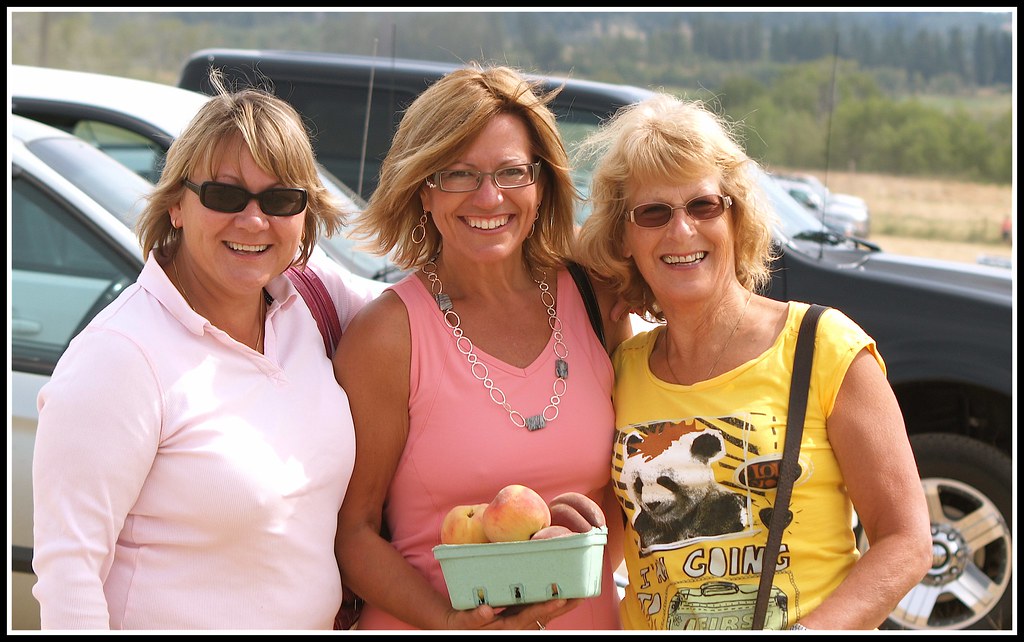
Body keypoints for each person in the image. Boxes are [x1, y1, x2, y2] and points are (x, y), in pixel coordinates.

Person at [31, 71, 382, 630]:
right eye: (224, 194)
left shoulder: (314, 300)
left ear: (304, 214)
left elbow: (435, 315)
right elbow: (69, 576)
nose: (253, 219)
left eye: (281, 199)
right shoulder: (120, 356)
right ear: (176, 204)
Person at [573, 93, 933, 631]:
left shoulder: (822, 347)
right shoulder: (620, 369)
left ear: (736, 215)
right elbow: (608, 540)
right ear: (624, 238)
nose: (681, 231)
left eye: (703, 205)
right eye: (653, 213)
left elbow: (906, 541)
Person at [332, 64, 632, 630]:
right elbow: (354, 532)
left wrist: (557, 594)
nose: (489, 196)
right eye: (458, 174)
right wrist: (451, 621)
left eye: (511, 172)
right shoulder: (388, 336)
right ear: (423, 189)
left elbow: (622, 487)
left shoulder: (597, 301)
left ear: (540, 185)